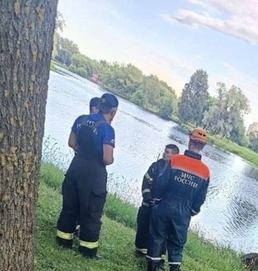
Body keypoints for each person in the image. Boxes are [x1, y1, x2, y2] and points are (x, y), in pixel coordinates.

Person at [56, 93, 119, 259]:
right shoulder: (107, 129)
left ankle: (63, 240)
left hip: (75, 168)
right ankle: (87, 251)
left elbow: (72, 143)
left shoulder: (81, 119)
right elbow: (107, 158)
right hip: (94, 175)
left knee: (70, 207)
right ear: (113, 111)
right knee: (92, 213)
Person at [146, 128, 210, 271]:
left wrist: (157, 200)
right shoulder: (205, 171)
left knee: (157, 237)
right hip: (184, 211)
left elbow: (162, 182)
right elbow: (200, 197)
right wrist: (192, 211)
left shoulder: (175, 160)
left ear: (189, 140)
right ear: (203, 146)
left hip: (165, 204)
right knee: (177, 244)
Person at [134, 144, 180, 259]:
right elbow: (146, 181)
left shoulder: (176, 172)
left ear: (174, 156)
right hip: (148, 204)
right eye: (165, 151)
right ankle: (140, 249)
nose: (165, 153)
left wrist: (161, 202)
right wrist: (148, 197)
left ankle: (158, 256)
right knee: (143, 225)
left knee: (160, 232)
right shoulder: (155, 166)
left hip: (162, 208)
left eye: (168, 152)